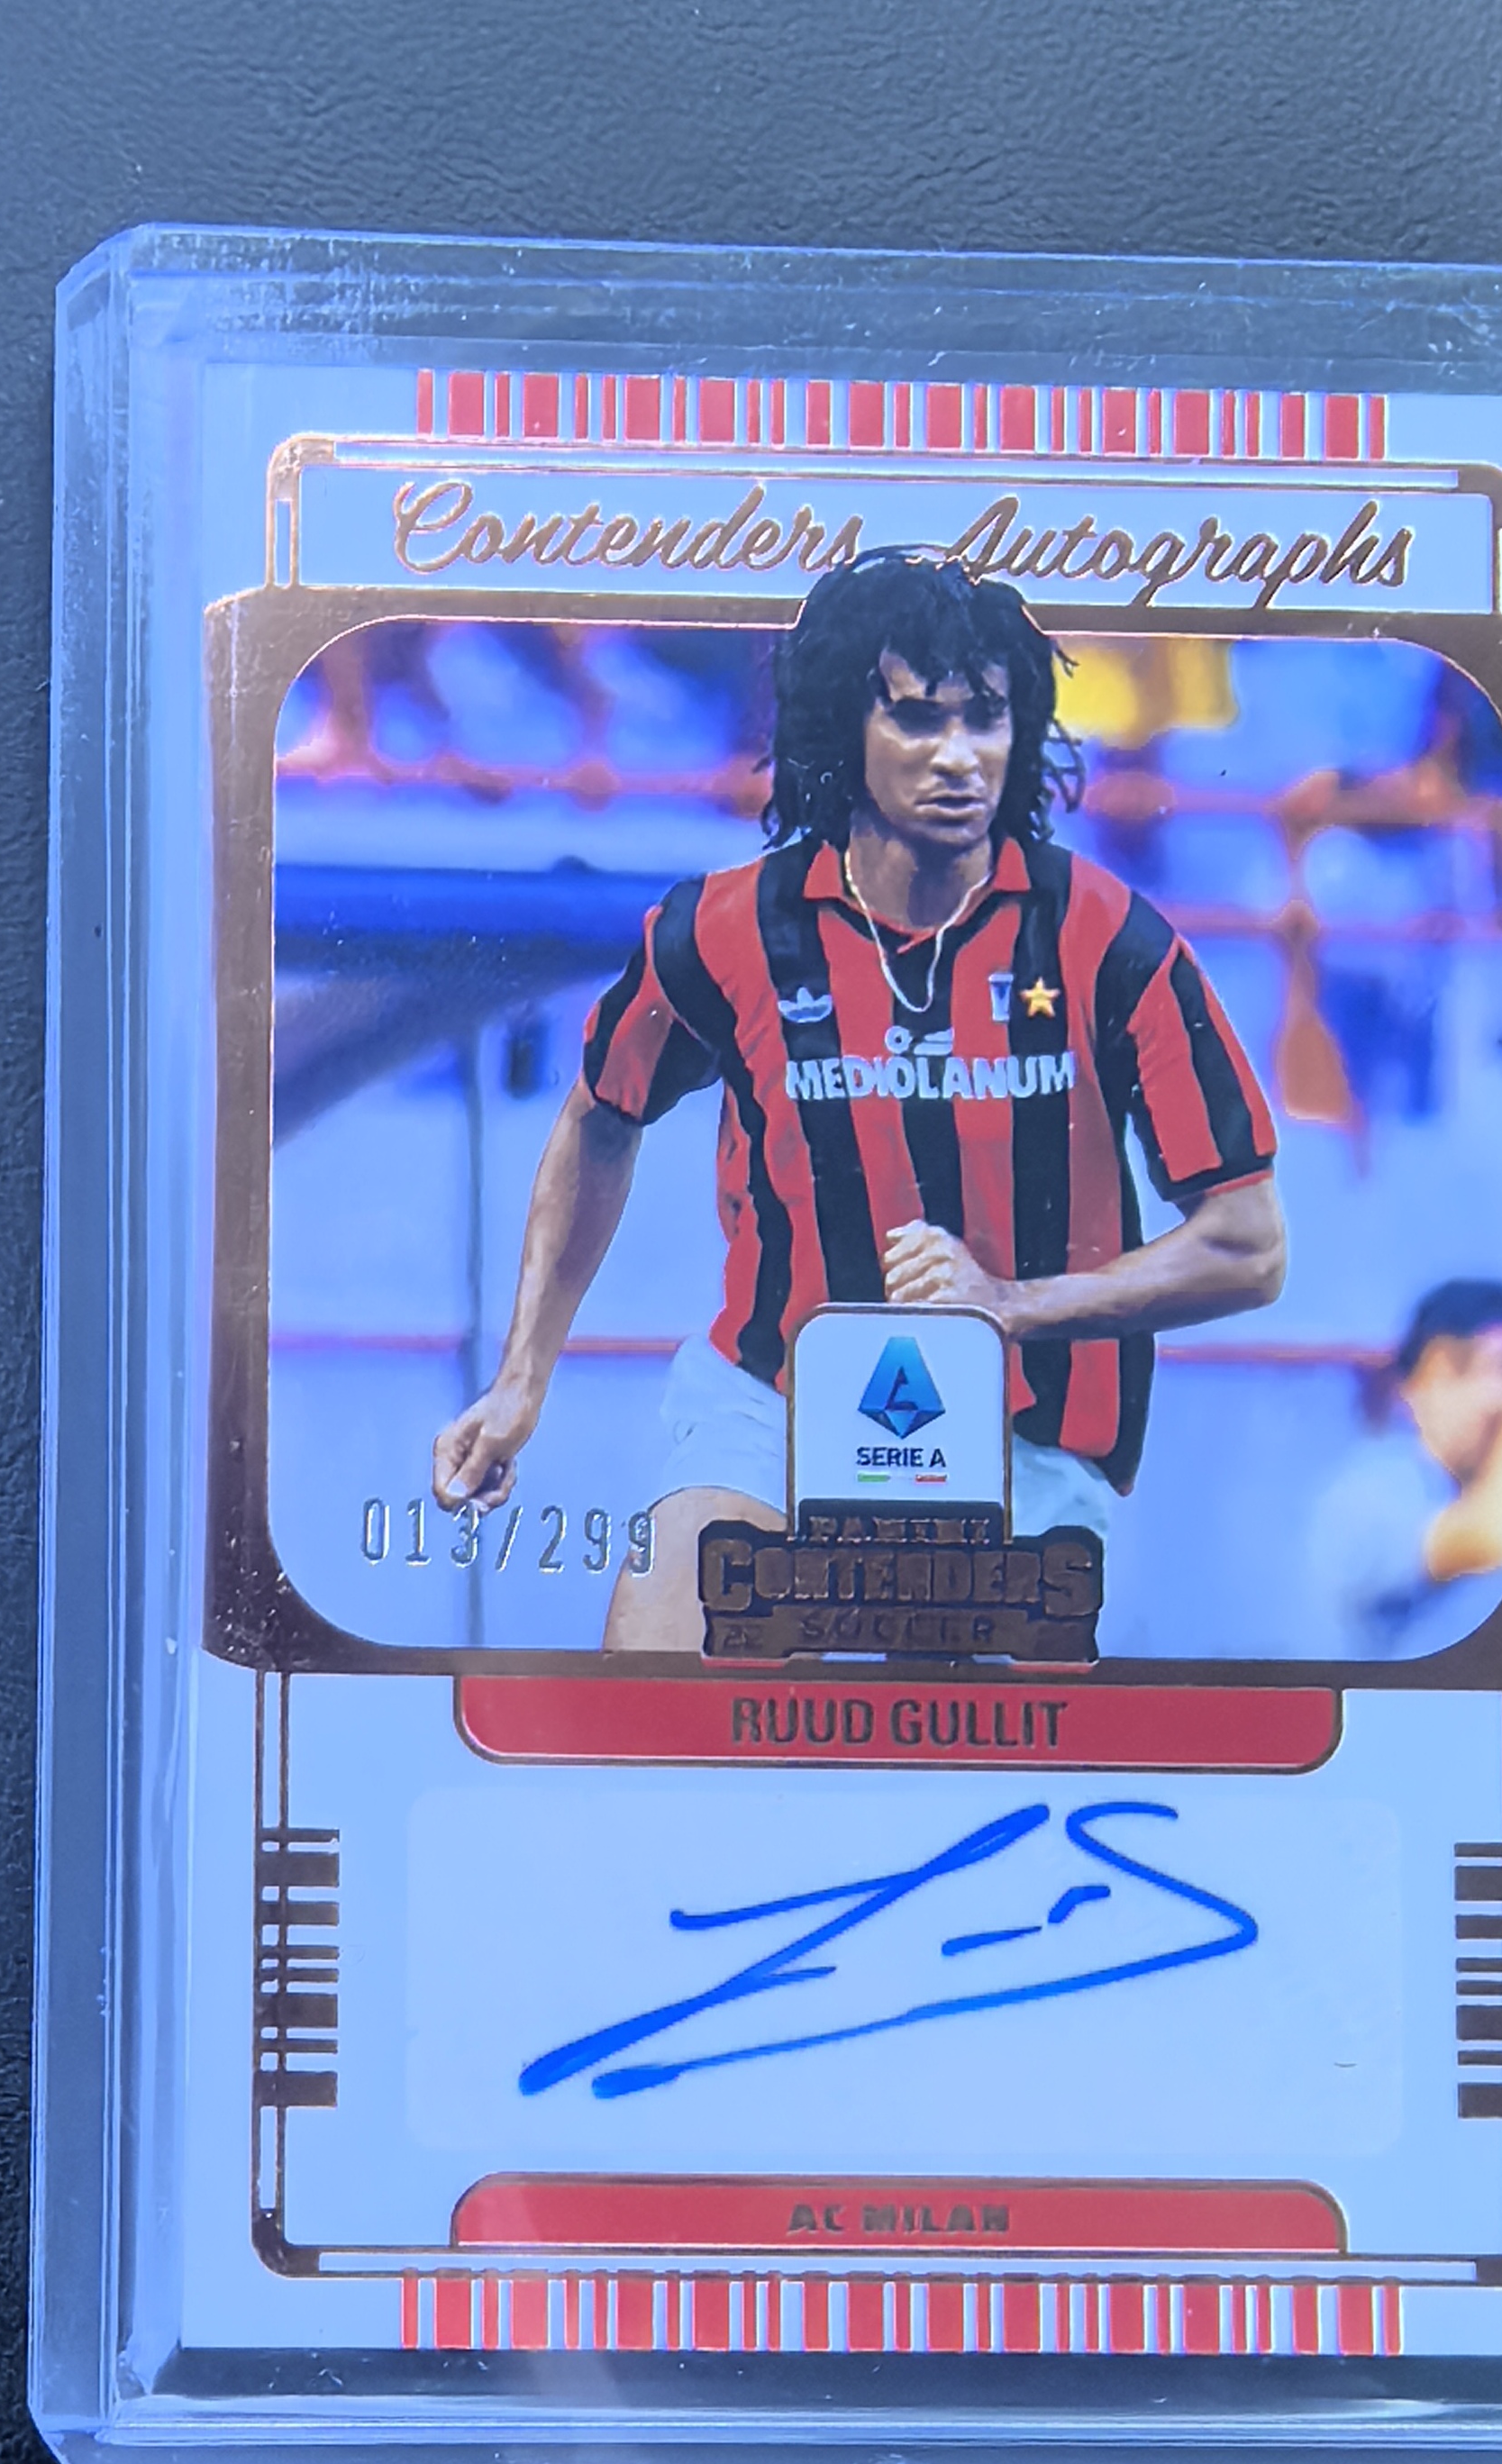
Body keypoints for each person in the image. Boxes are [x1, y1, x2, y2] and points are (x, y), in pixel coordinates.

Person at [432, 551, 1286, 1649]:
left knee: (973, 1749)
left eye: (985, 717)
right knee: (656, 1675)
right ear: (846, 725)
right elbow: (603, 1114)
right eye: (918, 719)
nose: (959, 756)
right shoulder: (725, 930)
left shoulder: (1111, 940)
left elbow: (1249, 1245)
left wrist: (1010, 1305)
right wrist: (520, 1380)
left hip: (1023, 1438)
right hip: (770, 1407)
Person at [1308, 1278, 1502, 1660]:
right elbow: (1489, 1539)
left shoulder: (1489, 1490)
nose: (1498, 1397)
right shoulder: (1375, 1490)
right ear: (1418, 1381)